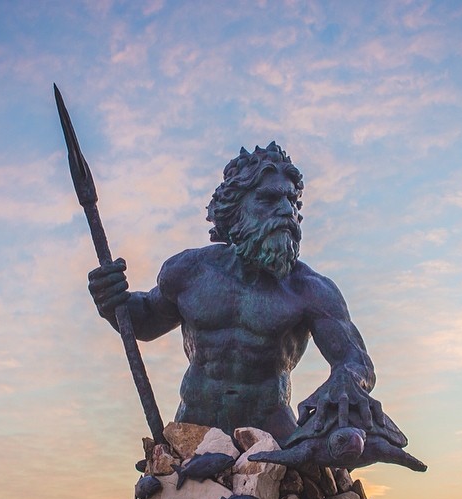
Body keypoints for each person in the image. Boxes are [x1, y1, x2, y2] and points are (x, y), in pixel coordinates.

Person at [88, 142, 384, 444]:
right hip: (193, 435)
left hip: (272, 440)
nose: (287, 210)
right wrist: (112, 301)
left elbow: (356, 361)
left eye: (292, 201)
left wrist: (346, 379)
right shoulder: (189, 271)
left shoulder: (309, 290)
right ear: (235, 208)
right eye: (269, 199)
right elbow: (147, 319)